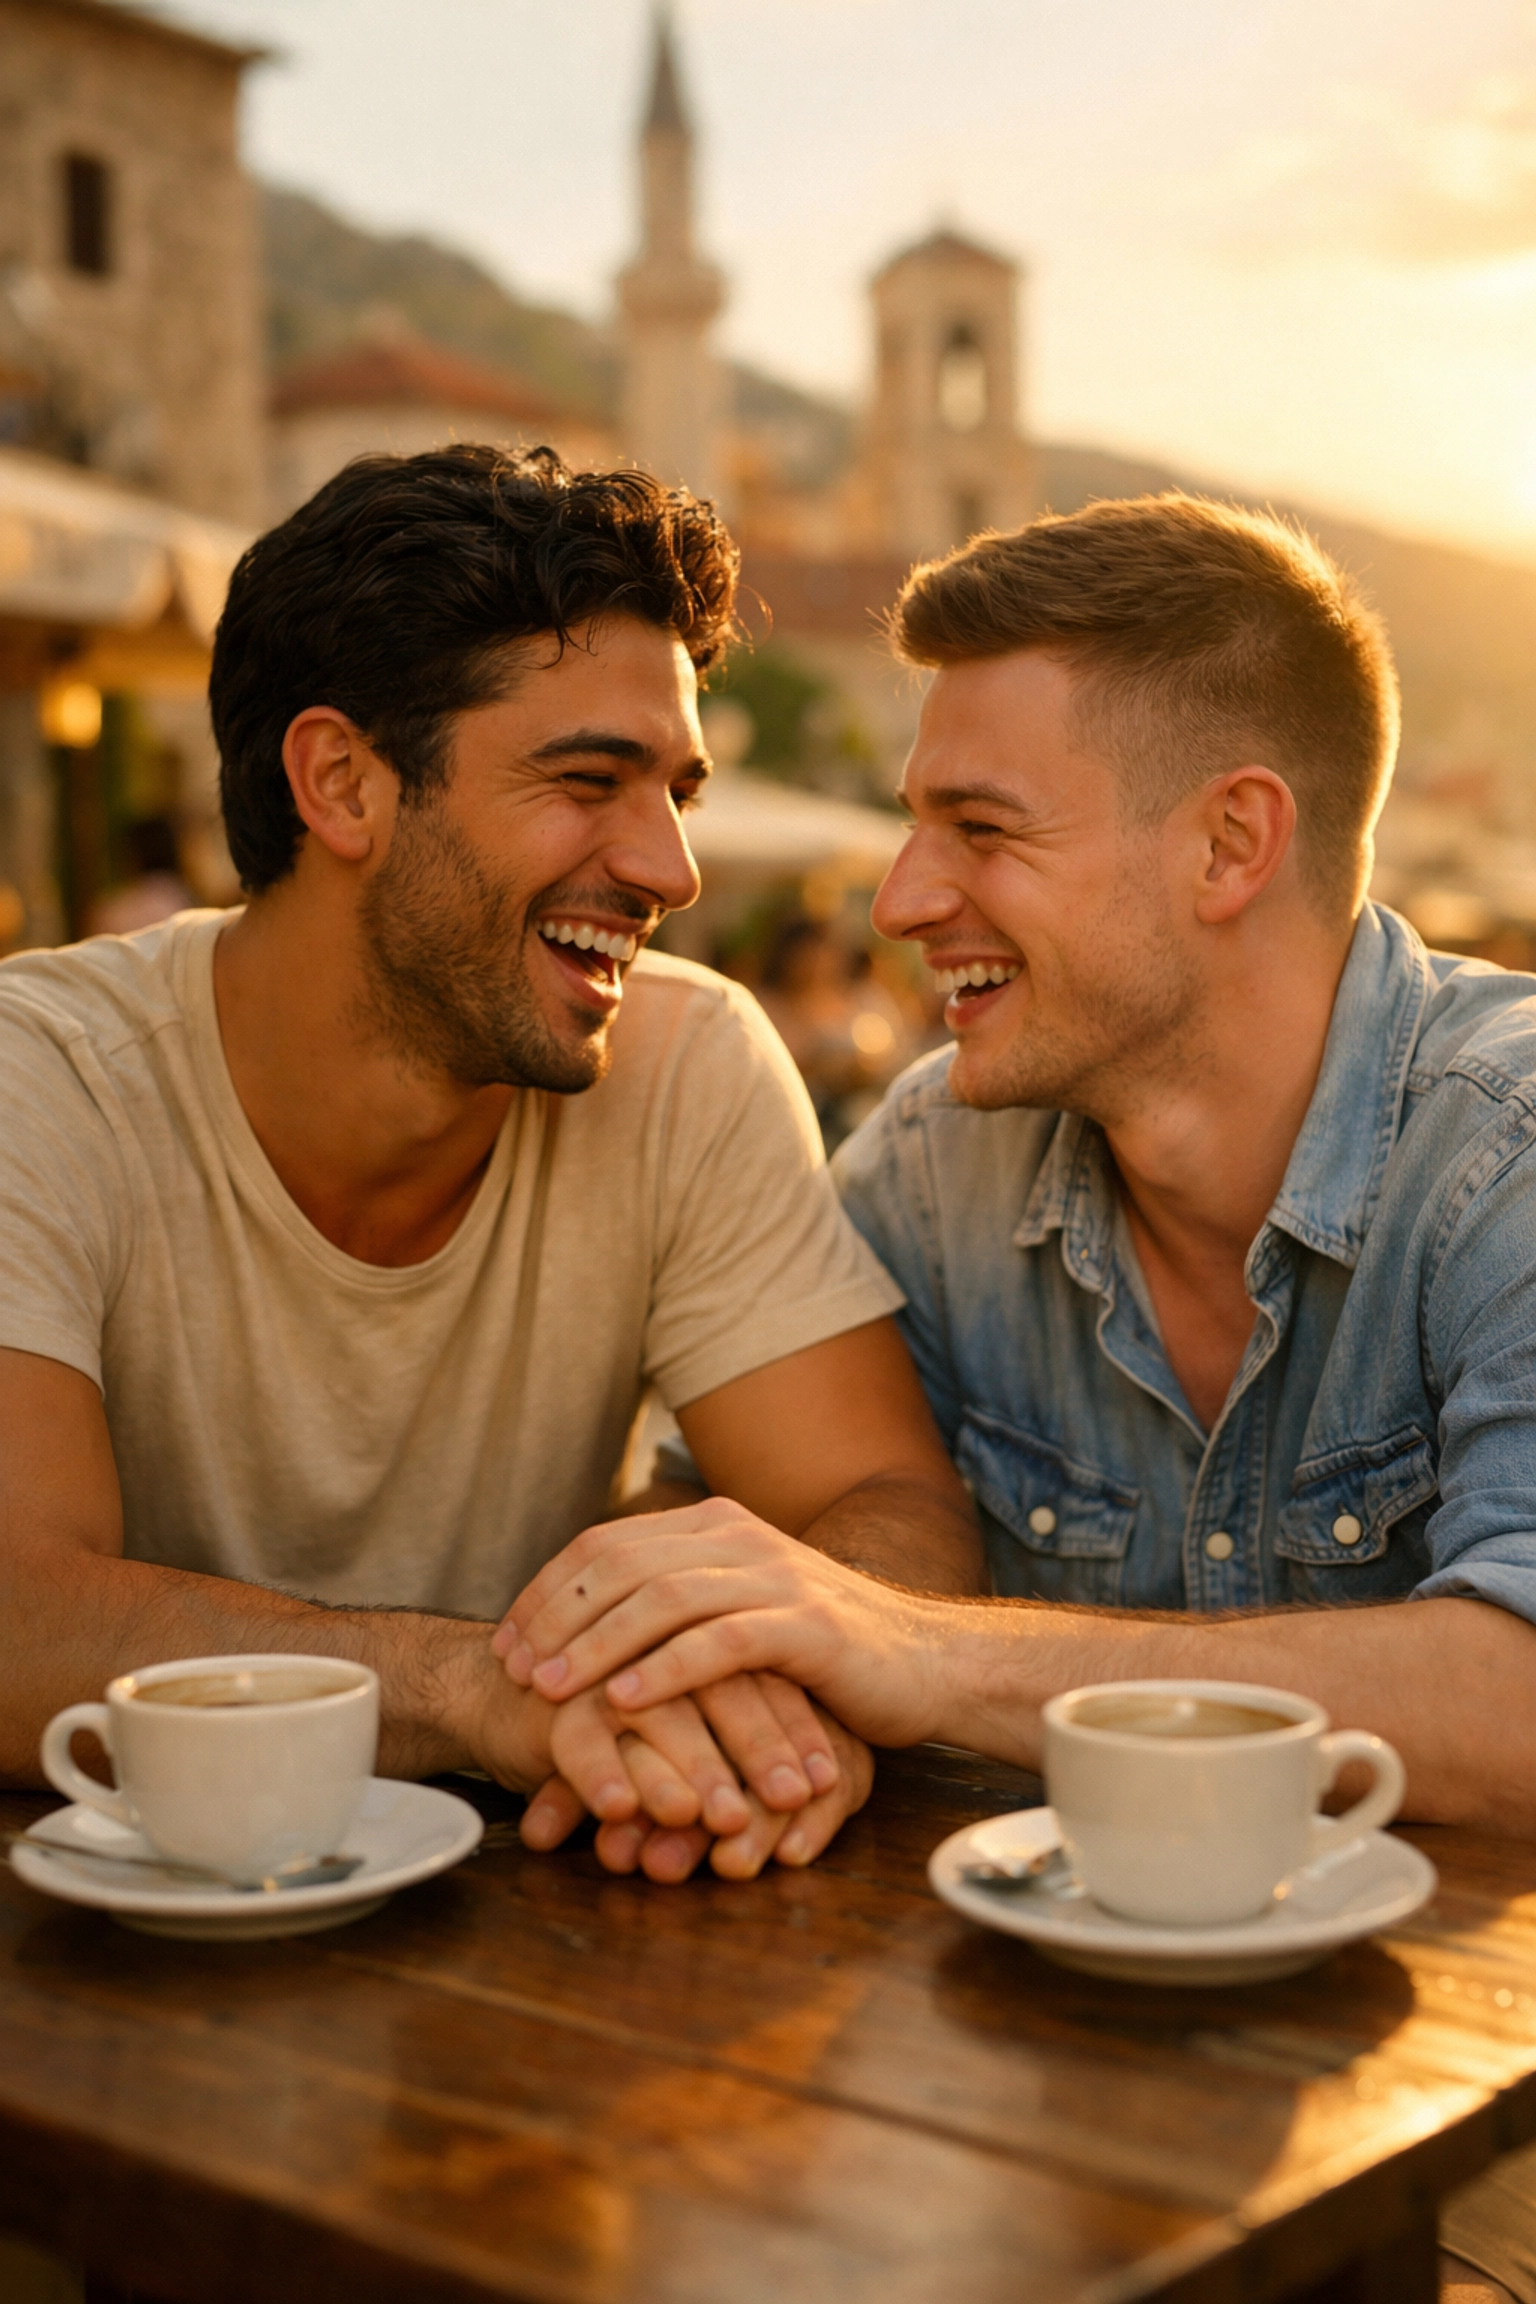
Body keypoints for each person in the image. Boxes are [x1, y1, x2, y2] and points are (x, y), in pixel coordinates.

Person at [493, 494, 1536, 2300]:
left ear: (1231, 842)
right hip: (1046, 2141)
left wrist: (920, 1652)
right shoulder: (935, 1161)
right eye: (915, 826)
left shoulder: (1504, 1153)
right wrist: (735, 1699)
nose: (903, 899)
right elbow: (738, 1530)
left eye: (980, 829)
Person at [0, 445, 982, 1887]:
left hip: (550, 1918)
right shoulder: (42, 1077)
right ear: (342, 782)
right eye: (588, 781)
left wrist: (779, 1700)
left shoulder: (687, 1063)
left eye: (679, 793)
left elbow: (891, 1503)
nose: (670, 870)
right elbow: (17, 1614)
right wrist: (474, 1690)